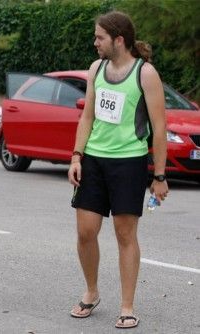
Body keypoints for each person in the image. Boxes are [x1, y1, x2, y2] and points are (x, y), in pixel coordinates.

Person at [68, 11, 169, 329]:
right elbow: (87, 117)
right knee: (85, 232)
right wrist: (76, 156)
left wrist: (160, 176)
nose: (95, 42)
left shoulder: (145, 73)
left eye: (100, 37)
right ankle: (92, 291)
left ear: (118, 40)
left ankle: (127, 306)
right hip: (94, 160)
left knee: (125, 235)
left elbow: (159, 127)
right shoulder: (96, 68)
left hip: (129, 161)